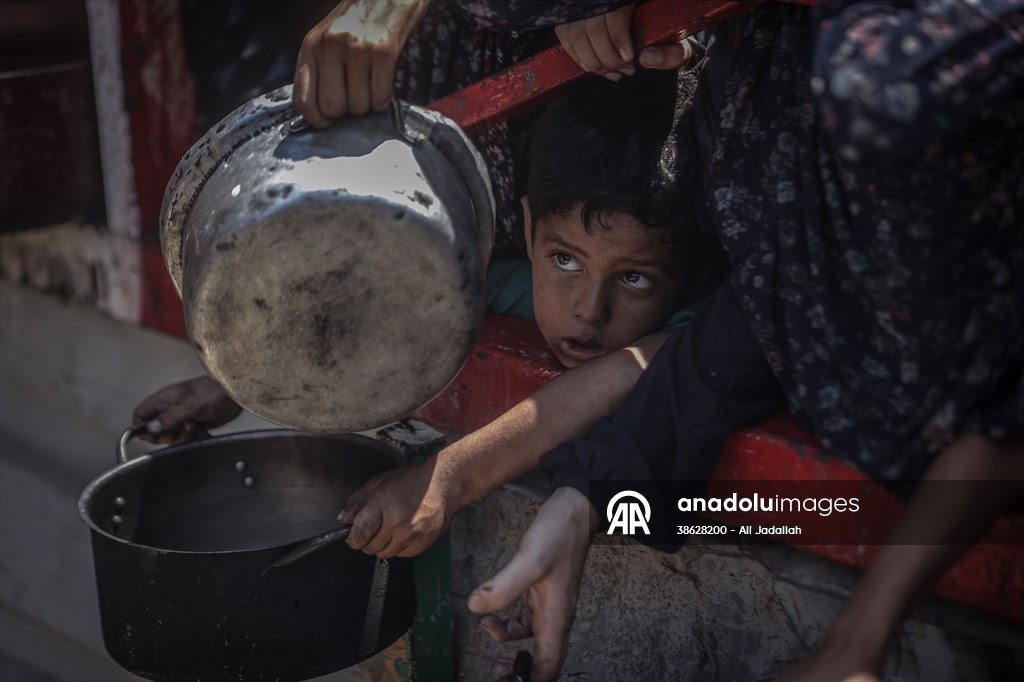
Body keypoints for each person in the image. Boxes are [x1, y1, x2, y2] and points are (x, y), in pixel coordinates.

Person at [464, 1, 1024, 681]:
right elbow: (762, 308)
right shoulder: (758, 79)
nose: (591, 308)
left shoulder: (889, 84)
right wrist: (580, 503)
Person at [134, 66, 723, 556]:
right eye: (566, 260)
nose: (590, 310)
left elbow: (611, 380)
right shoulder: (514, 286)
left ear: (694, 272)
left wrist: (445, 477)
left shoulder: (706, 328)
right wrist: (234, 385)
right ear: (526, 229)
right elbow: (383, 302)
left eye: (636, 278)